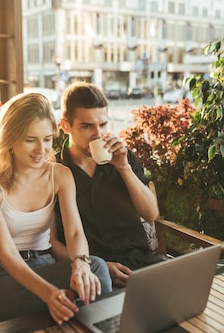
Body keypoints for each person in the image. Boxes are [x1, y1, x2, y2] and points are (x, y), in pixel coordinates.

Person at [0, 92, 112, 325]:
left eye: (47, 139)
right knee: (76, 289)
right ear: (11, 138)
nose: (41, 149)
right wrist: (49, 293)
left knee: (93, 268)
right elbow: (7, 254)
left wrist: (79, 265)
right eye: (30, 139)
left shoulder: (60, 175)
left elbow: (75, 233)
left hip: (46, 266)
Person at [55, 82, 162, 288]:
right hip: (94, 275)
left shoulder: (122, 157)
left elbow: (151, 214)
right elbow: (52, 242)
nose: (97, 134)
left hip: (141, 264)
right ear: (65, 126)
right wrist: (100, 266)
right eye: (87, 126)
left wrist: (124, 169)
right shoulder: (56, 171)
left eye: (103, 125)